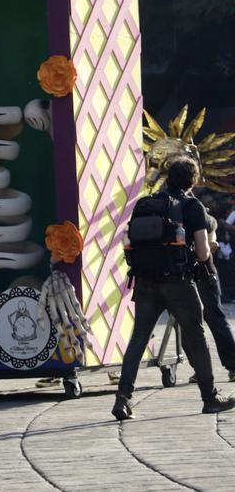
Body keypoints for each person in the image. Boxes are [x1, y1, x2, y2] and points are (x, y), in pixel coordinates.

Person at [114, 157, 235, 419]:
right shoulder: (193, 206)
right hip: (178, 283)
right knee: (196, 336)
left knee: (138, 338)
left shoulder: (145, 204)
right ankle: (210, 397)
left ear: (168, 177)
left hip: (145, 281)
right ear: (193, 180)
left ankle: (123, 398)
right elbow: (203, 254)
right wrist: (209, 248)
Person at [189, 214, 235, 383]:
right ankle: (202, 368)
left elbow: (212, 233)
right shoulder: (190, 209)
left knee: (213, 319)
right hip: (192, 275)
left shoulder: (194, 210)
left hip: (202, 274)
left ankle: (231, 366)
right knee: (192, 324)